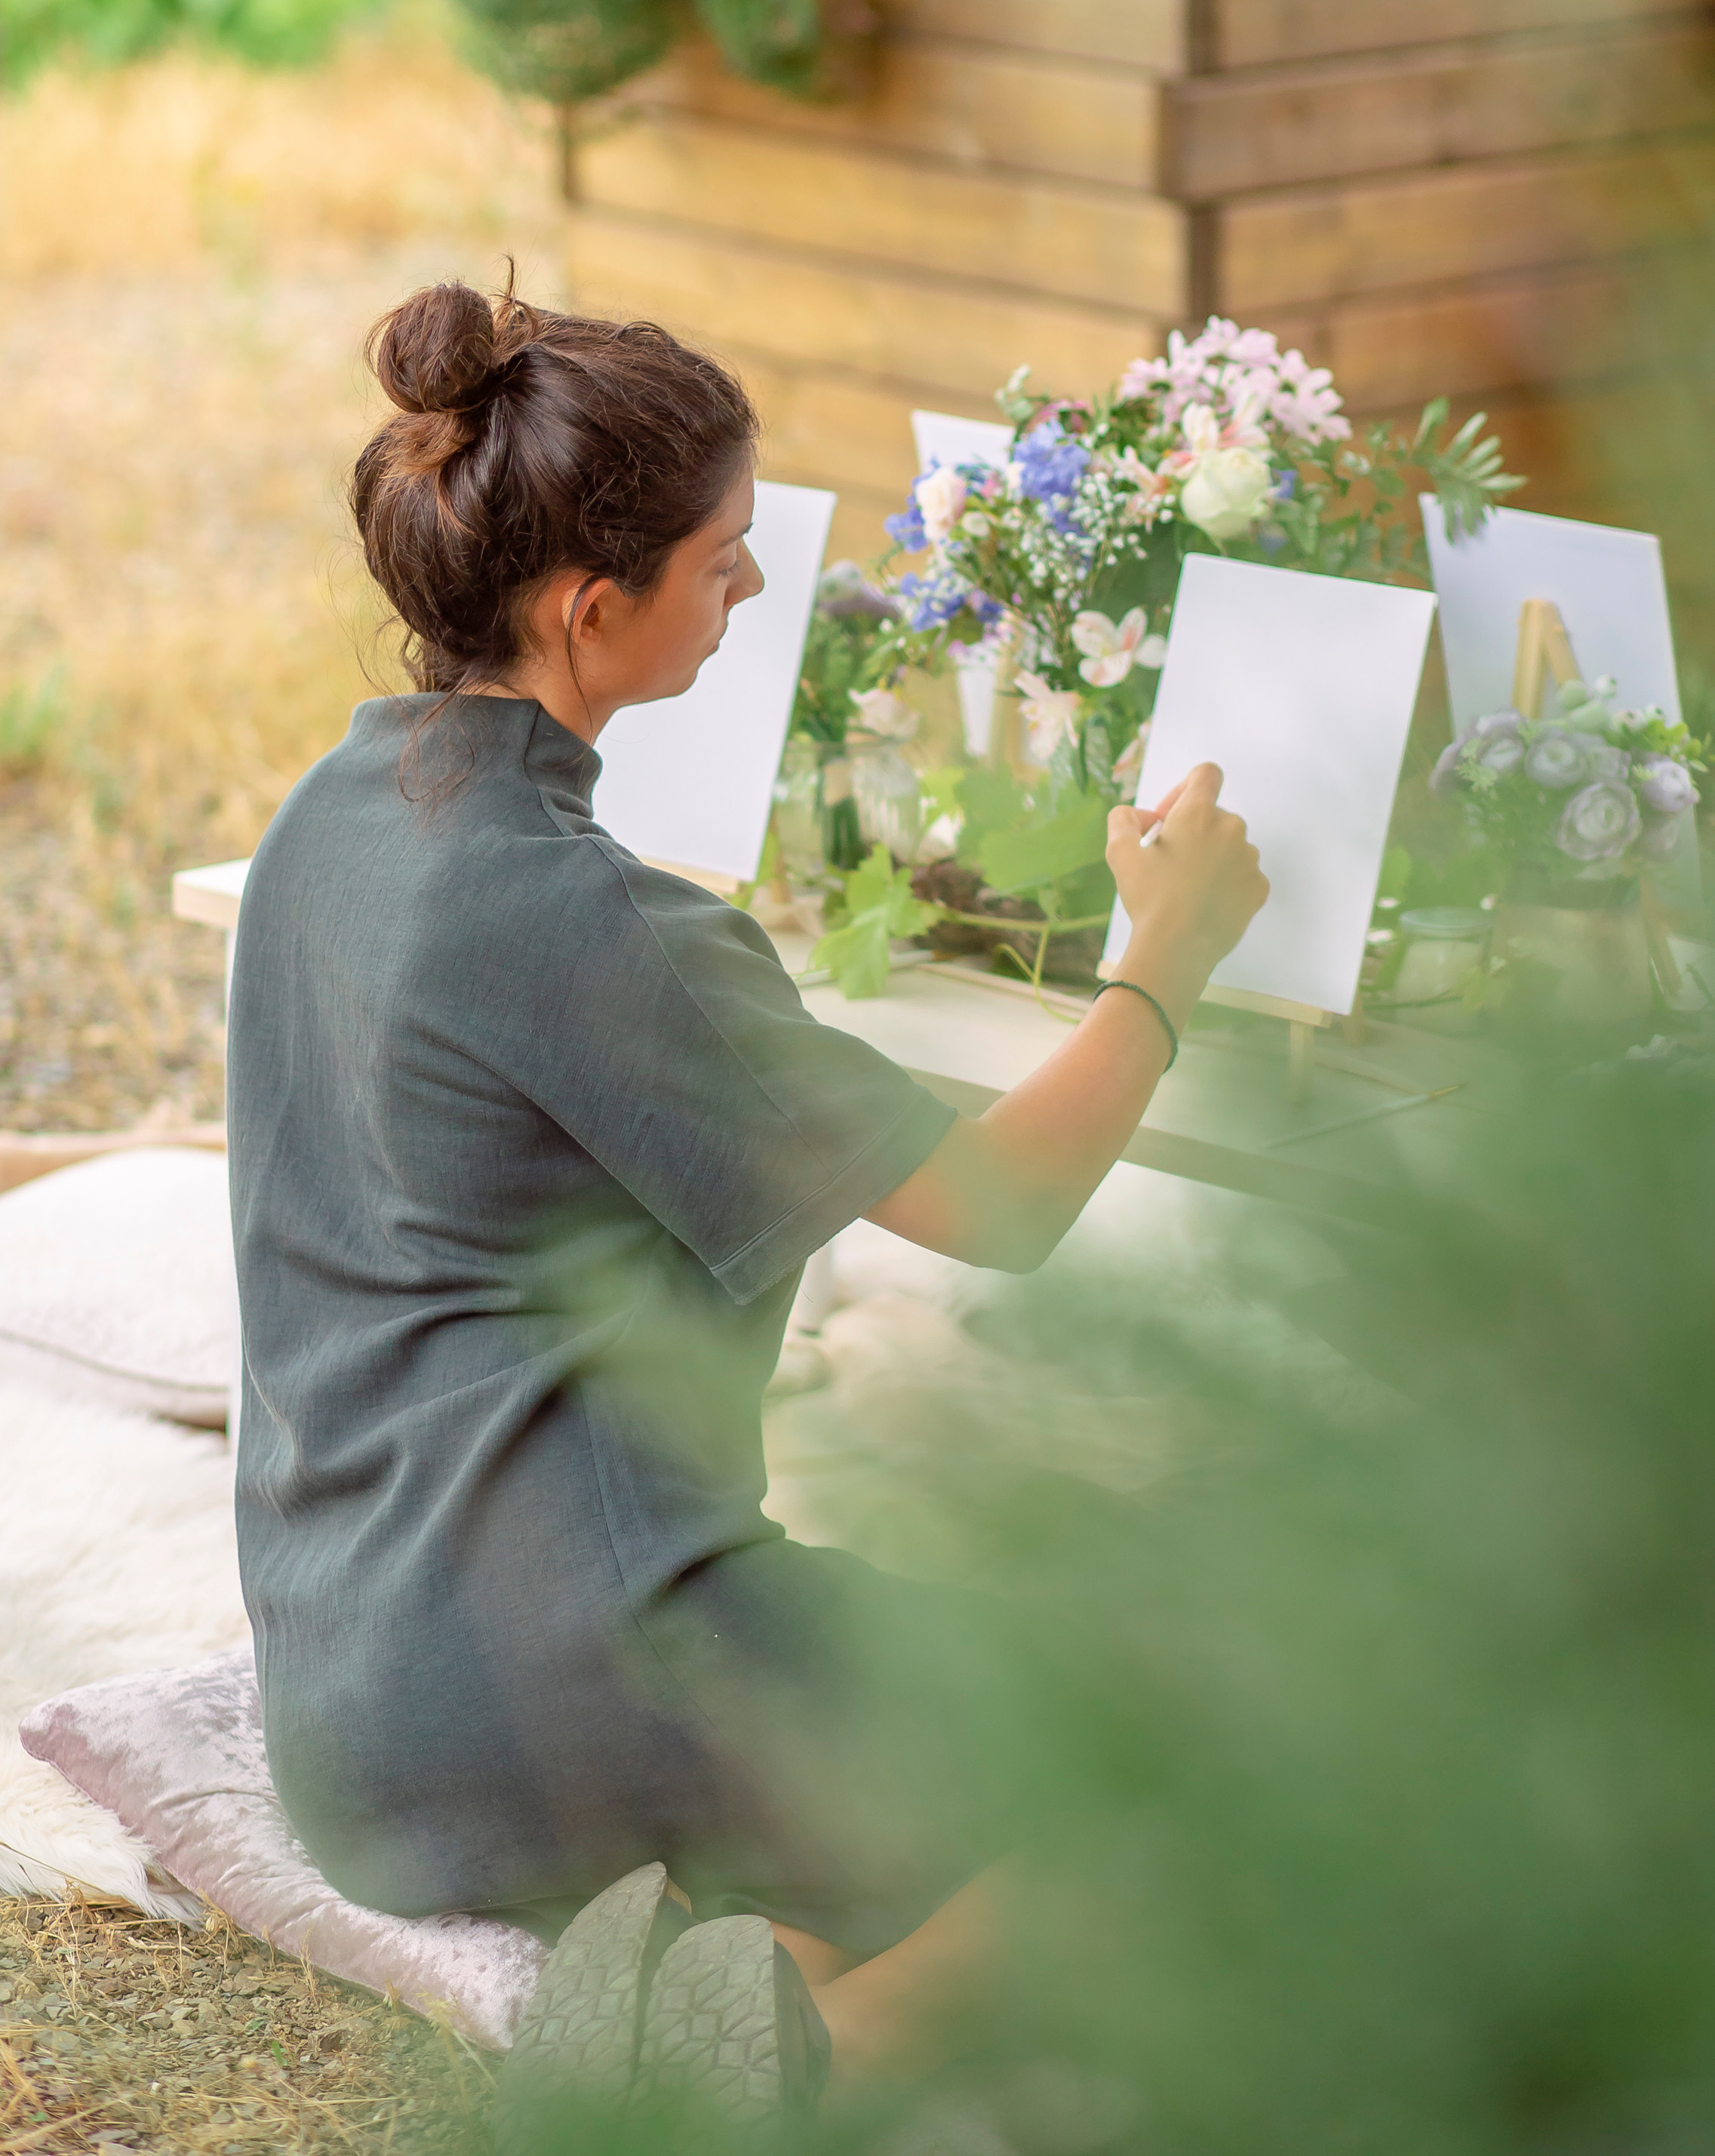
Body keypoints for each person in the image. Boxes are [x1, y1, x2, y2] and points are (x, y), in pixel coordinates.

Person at [226, 281, 1269, 2124]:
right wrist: (1161, 964)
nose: (755, 593)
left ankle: (737, 1953)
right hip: (573, 1687)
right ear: (589, 606)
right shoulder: (596, 921)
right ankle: (806, 2074)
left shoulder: (328, 813)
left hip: (348, 1707)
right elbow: (1000, 1206)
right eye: (726, 561)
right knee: (1199, 1766)